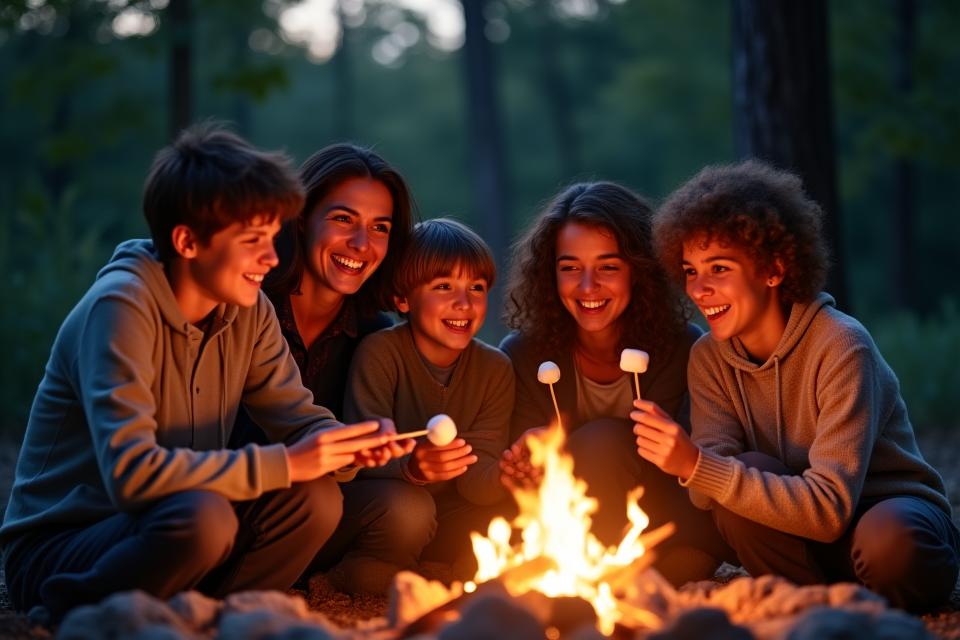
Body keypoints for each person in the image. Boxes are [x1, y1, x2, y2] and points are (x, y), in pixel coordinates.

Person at [0, 125, 403, 621]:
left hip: (173, 524)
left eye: (273, 237)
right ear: (188, 241)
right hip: (65, 546)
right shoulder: (120, 307)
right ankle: (63, 616)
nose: (273, 258)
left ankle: (216, 619)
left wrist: (349, 445)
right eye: (253, 240)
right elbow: (132, 476)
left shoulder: (248, 309)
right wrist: (289, 462)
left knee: (316, 497)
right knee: (205, 516)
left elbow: (297, 418)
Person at [635, 160, 959, 611]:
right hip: (801, 535)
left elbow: (828, 510)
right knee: (734, 488)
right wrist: (688, 465)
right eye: (690, 271)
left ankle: (879, 597)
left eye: (719, 269)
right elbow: (708, 491)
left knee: (892, 544)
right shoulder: (709, 357)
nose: (699, 289)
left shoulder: (842, 346)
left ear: (774, 269)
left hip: (881, 515)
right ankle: (818, 605)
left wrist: (697, 463)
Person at [499, 181, 729, 586]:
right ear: (548, 274)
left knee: (608, 440)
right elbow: (528, 485)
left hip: (663, 517)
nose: (588, 287)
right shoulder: (524, 355)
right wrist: (530, 451)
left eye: (608, 267)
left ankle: (646, 571)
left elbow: (696, 473)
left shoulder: (684, 348)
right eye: (570, 268)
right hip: (571, 523)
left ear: (639, 271)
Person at [317, 218, 514, 593]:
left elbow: (478, 482)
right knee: (409, 510)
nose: (464, 302)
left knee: (512, 518)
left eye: (477, 287)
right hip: (388, 510)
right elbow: (359, 464)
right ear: (403, 299)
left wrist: (507, 475)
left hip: (451, 513)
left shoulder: (495, 368)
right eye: (444, 287)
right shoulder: (380, 353)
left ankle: (433, 573)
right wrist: (412, 469)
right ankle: (365, 572)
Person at [230, 142, 414, 442]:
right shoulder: (245, 299)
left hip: (321, 482)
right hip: (221, 479)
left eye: (379, 228)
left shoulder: (374, 334)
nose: (361, 243)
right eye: (343, 219)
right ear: (302, 218)